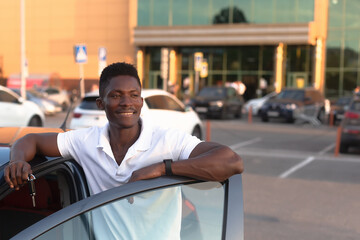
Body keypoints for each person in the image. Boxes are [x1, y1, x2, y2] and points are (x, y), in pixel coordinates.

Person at [4, 62, 243, 238]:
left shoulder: (167, 140)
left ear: (141, 101)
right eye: (116, 96)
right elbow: (31, 140)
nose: (127, 102)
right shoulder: (86, 141)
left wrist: (162, 168)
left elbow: (231, 162)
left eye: (134, 95)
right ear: (101, 104)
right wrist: (17, 161)